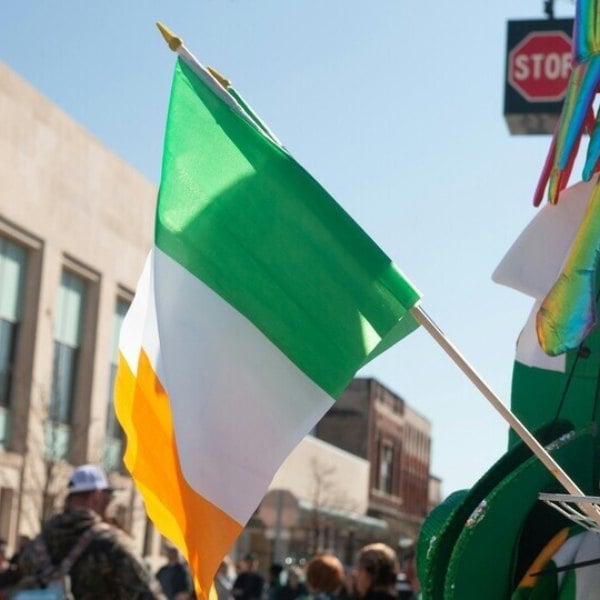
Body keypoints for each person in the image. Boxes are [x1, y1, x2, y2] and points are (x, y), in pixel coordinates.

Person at [16, 463, 161, 599]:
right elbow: (149, 595)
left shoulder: (36, 545)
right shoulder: (113, 545)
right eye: (108, 498)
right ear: (96, 497)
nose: (110, 505)